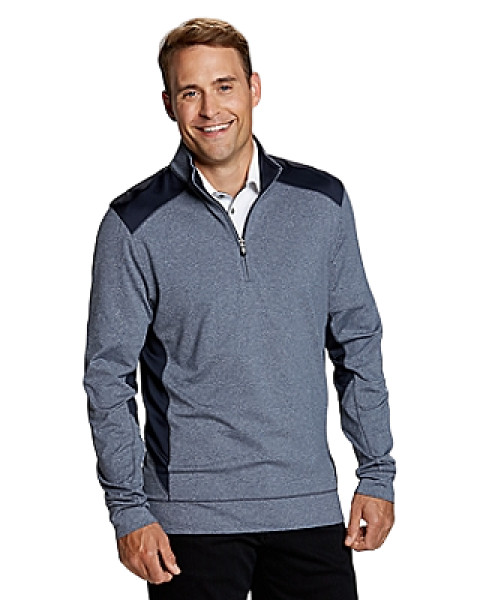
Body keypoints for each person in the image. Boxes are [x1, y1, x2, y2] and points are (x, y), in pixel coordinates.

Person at [84, 17, 395, 600]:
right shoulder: (132, 224)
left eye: (224, 86)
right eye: (190, 92)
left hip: (306, 507)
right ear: (168, 104)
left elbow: (357, 341)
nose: (210, 109)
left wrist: (376, 472)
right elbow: (107, 377)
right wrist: (128, 510)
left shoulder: (321, 203)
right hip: (188, 522)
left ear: (253, 88)